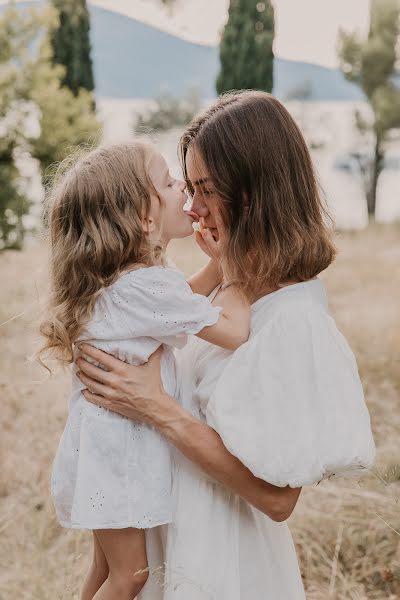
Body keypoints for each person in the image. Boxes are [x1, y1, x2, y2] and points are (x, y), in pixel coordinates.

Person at [75, 91, 376, 599]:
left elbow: (279, 500)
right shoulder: (222, 289)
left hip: (223, 566)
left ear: (254, 191)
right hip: (162, 550)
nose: (191, 206)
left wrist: (157, 409)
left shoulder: (293, 320)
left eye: (205, 188)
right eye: (186, 186)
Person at [39, 140, 250, 600]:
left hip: (101, 449)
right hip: (121, 457)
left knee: (106, 568)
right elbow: (233, 330)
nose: (184, 191)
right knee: (131, 576)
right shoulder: (146, 287)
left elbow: (177, 306)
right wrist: (233, 260)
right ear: (143, 217)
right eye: (170, 183)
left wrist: (213, 264)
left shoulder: (127, 283)